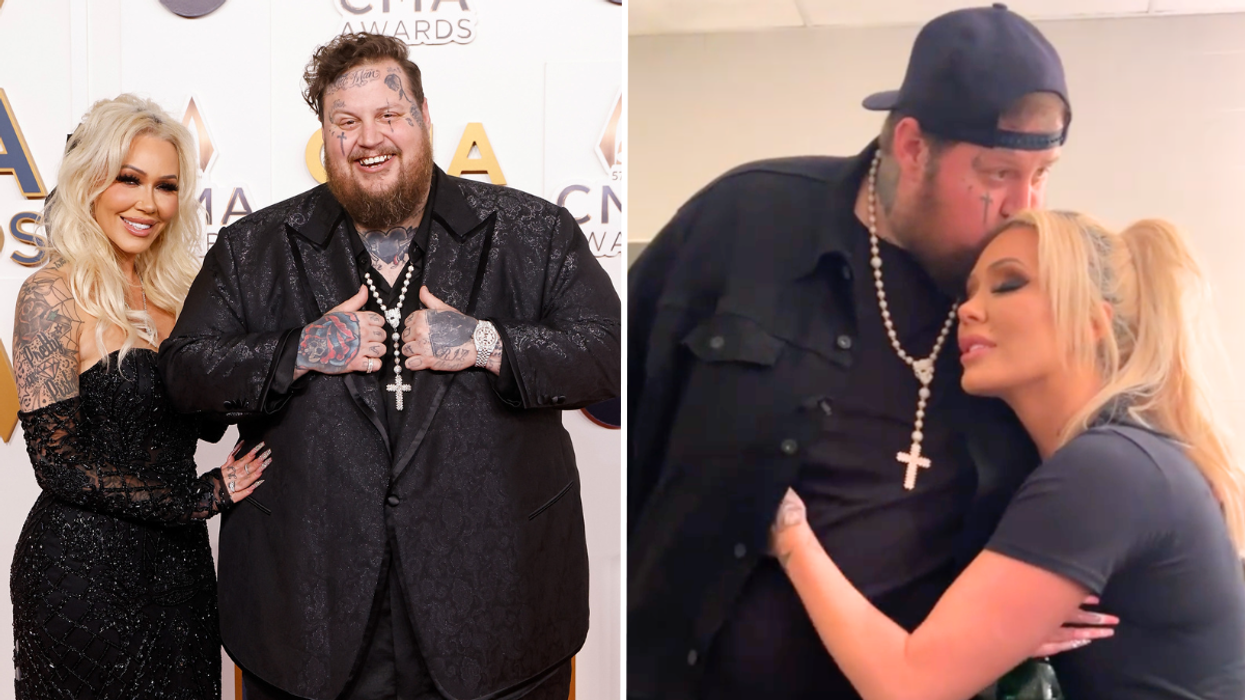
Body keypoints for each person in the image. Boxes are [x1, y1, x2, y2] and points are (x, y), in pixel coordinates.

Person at [627, 5, 1114, 699]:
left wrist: (1015, 615)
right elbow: (615, 405)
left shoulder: (1020, 296)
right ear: (912, 146)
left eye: (1043, 173)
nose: (1023, 203)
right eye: (997, 172)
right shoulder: (746, 220)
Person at [158, 32, 621, 700]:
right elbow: (184, 378)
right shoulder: (252, 248)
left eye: (389, 115)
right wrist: (299, 351)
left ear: (425, 118)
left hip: (494, 613)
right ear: (324, 135)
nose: (369, 137)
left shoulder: (532, 232)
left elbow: (606, 358)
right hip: (308, 615)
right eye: (345, 122)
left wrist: (489, 343)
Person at [769, 209, 1245, 699]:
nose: (968, 310)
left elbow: (907, 688)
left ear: (1091, 321)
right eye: (970, 292)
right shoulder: (1129, 461)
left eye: (1008, 284)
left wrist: (789, 532)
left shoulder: (1107, 469)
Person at [10, 94, 268, 699]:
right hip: (81, 572)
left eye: (166, 185)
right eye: (130, 179)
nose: (147, 203)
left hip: (180, 571)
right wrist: (198, 498)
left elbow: (208, 422)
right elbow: (56, 463)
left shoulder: (184, 298)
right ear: (90, 181)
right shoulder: (51, 295)